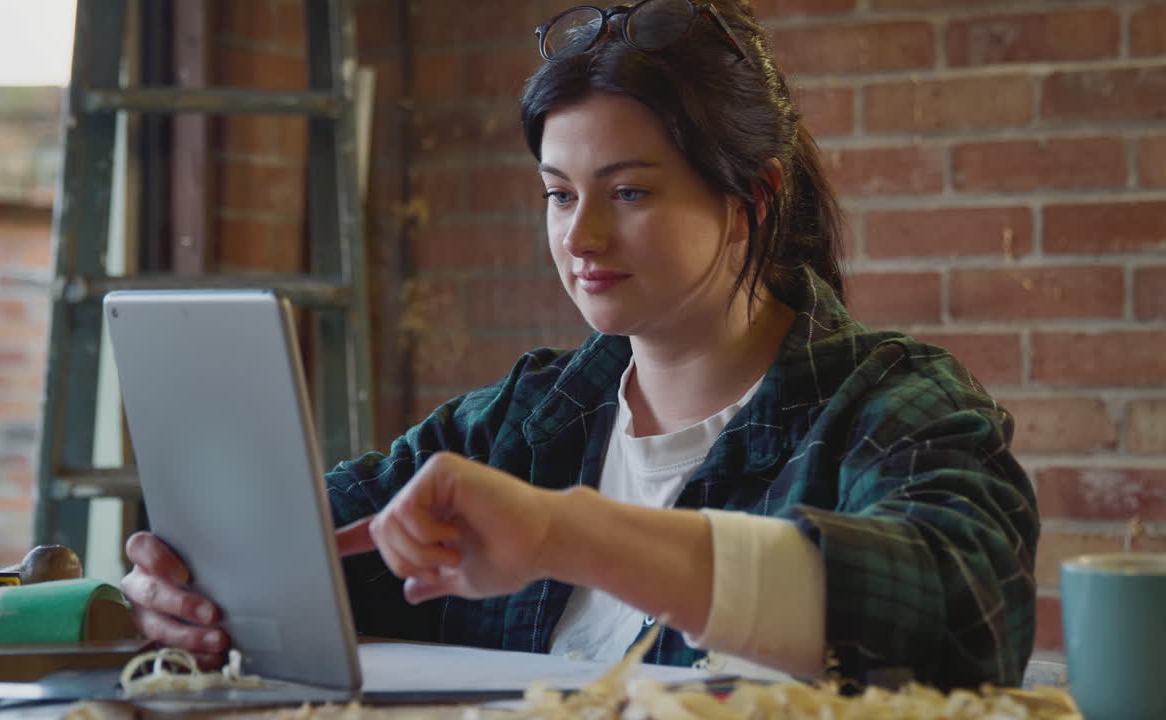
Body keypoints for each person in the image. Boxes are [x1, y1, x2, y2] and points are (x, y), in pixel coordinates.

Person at [121, 0, 1038, 691]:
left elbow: (961, 618)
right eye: (560, 194)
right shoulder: (519, 425)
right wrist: (190, 597)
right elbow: (304, 556)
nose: (581, 237)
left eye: (629, 193)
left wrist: (570, 533)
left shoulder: (894, 406)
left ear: (753, 200)